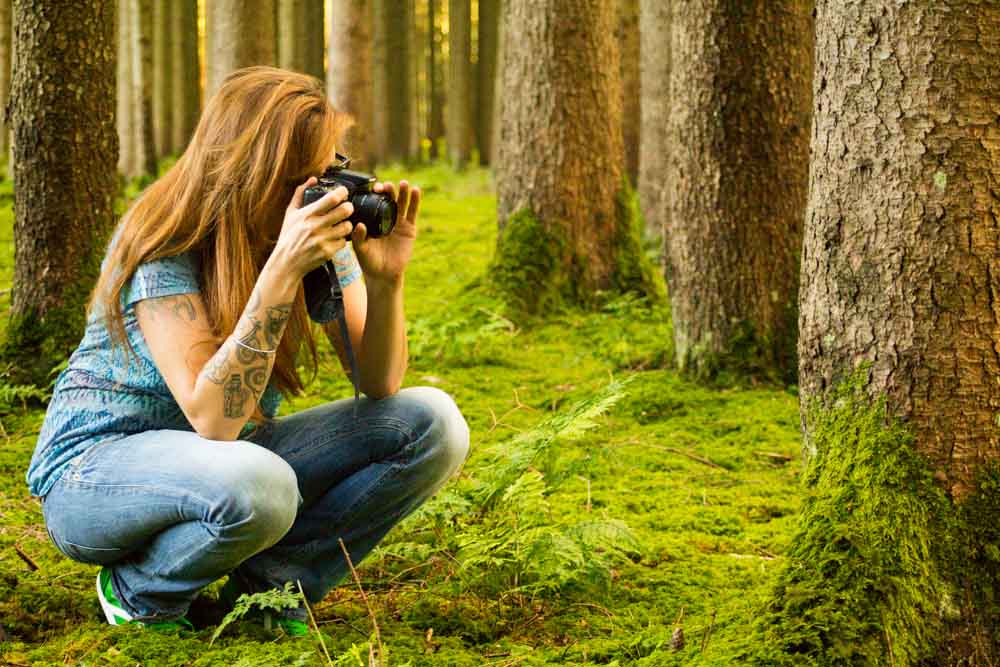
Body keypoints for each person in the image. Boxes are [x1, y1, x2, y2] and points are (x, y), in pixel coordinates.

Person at [25, 66, 470, 635]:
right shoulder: (164, 240)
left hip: (228, 462)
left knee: (432, 424)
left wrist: (386, 283)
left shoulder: (309, 232)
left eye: (331, 169)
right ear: (256, 172)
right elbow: (212, 418)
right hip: (95, 476)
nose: (324, 193)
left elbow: (380, 383)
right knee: (262, 483)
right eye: (306, 178)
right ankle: (140, 589)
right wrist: (282, 269)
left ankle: (270, 589)